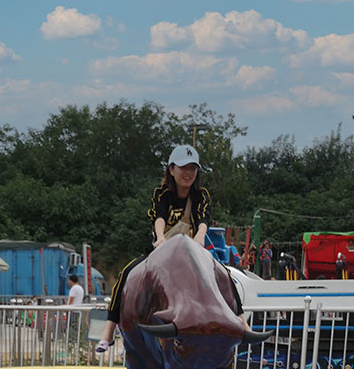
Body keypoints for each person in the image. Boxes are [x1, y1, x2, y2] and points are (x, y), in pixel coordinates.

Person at [96, 144, 246, 352]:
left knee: (225, 274)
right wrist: (160, 238)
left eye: (193, 168)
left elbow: (203, 218)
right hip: (161, 249)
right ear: (171, 169)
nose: (188, 173)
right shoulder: (162, 193)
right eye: (183, 168)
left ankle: (241, 322)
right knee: (126, 273)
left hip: (191, 253)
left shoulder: (201, 195)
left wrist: (201, 236)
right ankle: (109, 330)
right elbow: (159, 216)